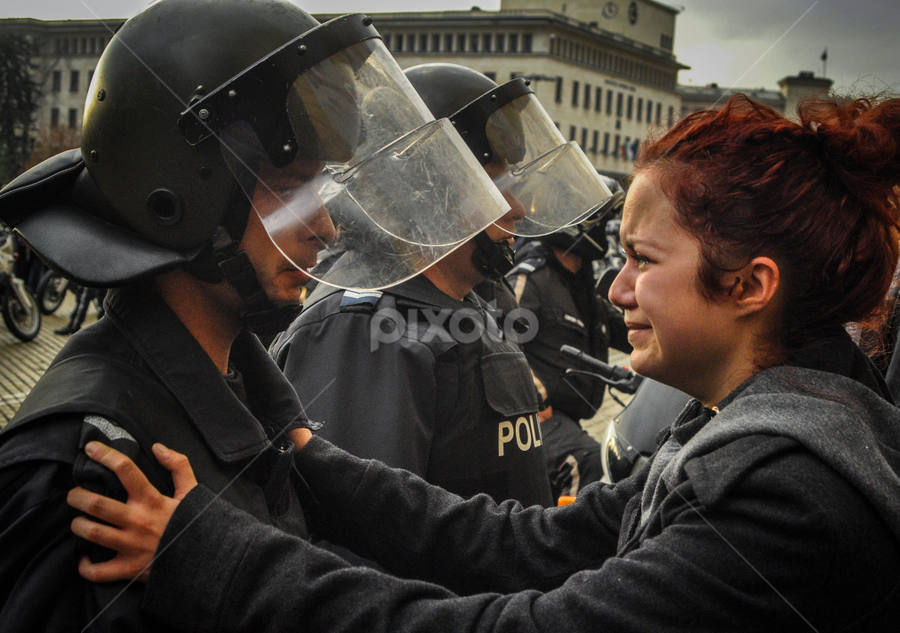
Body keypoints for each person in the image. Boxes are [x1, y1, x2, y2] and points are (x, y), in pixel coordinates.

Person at [70, 93, 900, 630]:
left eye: (644, 259)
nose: (616, 288)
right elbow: (532, 541)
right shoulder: (756, 427)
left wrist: (210, 557)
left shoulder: (790, 488)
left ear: (751, 286)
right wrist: (314, 461)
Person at [0, 1, 510, 630]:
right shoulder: (90, 459)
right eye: (289, 189)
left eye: (319, 192)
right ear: (183, 194)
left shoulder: (254, 402)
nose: (323, 228)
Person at [271, 64, 613, 508]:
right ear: (429, 190)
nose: (517, 208)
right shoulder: (363, 327)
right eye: (493, 186)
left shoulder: (467, 303)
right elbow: (363, 534)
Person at [506, 181, 631, 497]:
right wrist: (534, 394)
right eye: (600, 221)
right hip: (533, 421)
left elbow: (627, 330)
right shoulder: (531, 278)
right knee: (589, 464)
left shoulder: (582, 287)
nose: (608, 230)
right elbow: (496, 336)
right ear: (577, 223)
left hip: (568, 420)